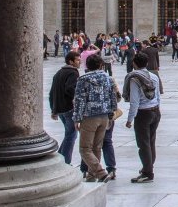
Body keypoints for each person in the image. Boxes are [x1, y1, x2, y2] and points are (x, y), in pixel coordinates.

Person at [72, 52, 116, 182]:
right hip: (104, 116)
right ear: (101, 65)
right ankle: (91, 176)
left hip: (89, 116)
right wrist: (111, 114)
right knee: (96, 147)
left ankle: (100, 173)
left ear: (87, 65)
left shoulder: (83, 79)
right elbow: (113, 98)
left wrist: (77, 118)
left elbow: (80, 100)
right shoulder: (108, 78)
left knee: (85, 149)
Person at [124, 49, 161, 183]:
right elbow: (158, 96)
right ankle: (148, 166)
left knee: (143, 144)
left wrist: (129, 119)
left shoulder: (135, 79)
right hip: (155, 111)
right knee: (151, 141)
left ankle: (147, 172)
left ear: (134, 63)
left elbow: (134, 101)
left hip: (143, 113)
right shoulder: (154, 76)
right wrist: (157, 110)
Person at [49, 50, 81, 163]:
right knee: (71, 136)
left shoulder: (58, 73)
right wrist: (77, 100)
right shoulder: (73, 72)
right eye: (77, 60)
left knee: (69, 134)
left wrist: (54, 110)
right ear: (71, 61)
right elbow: (70, 89)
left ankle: (59, 158)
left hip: (60, 109)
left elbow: (51, 93)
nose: (80, 62)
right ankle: (65, 162)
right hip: (69, 109)